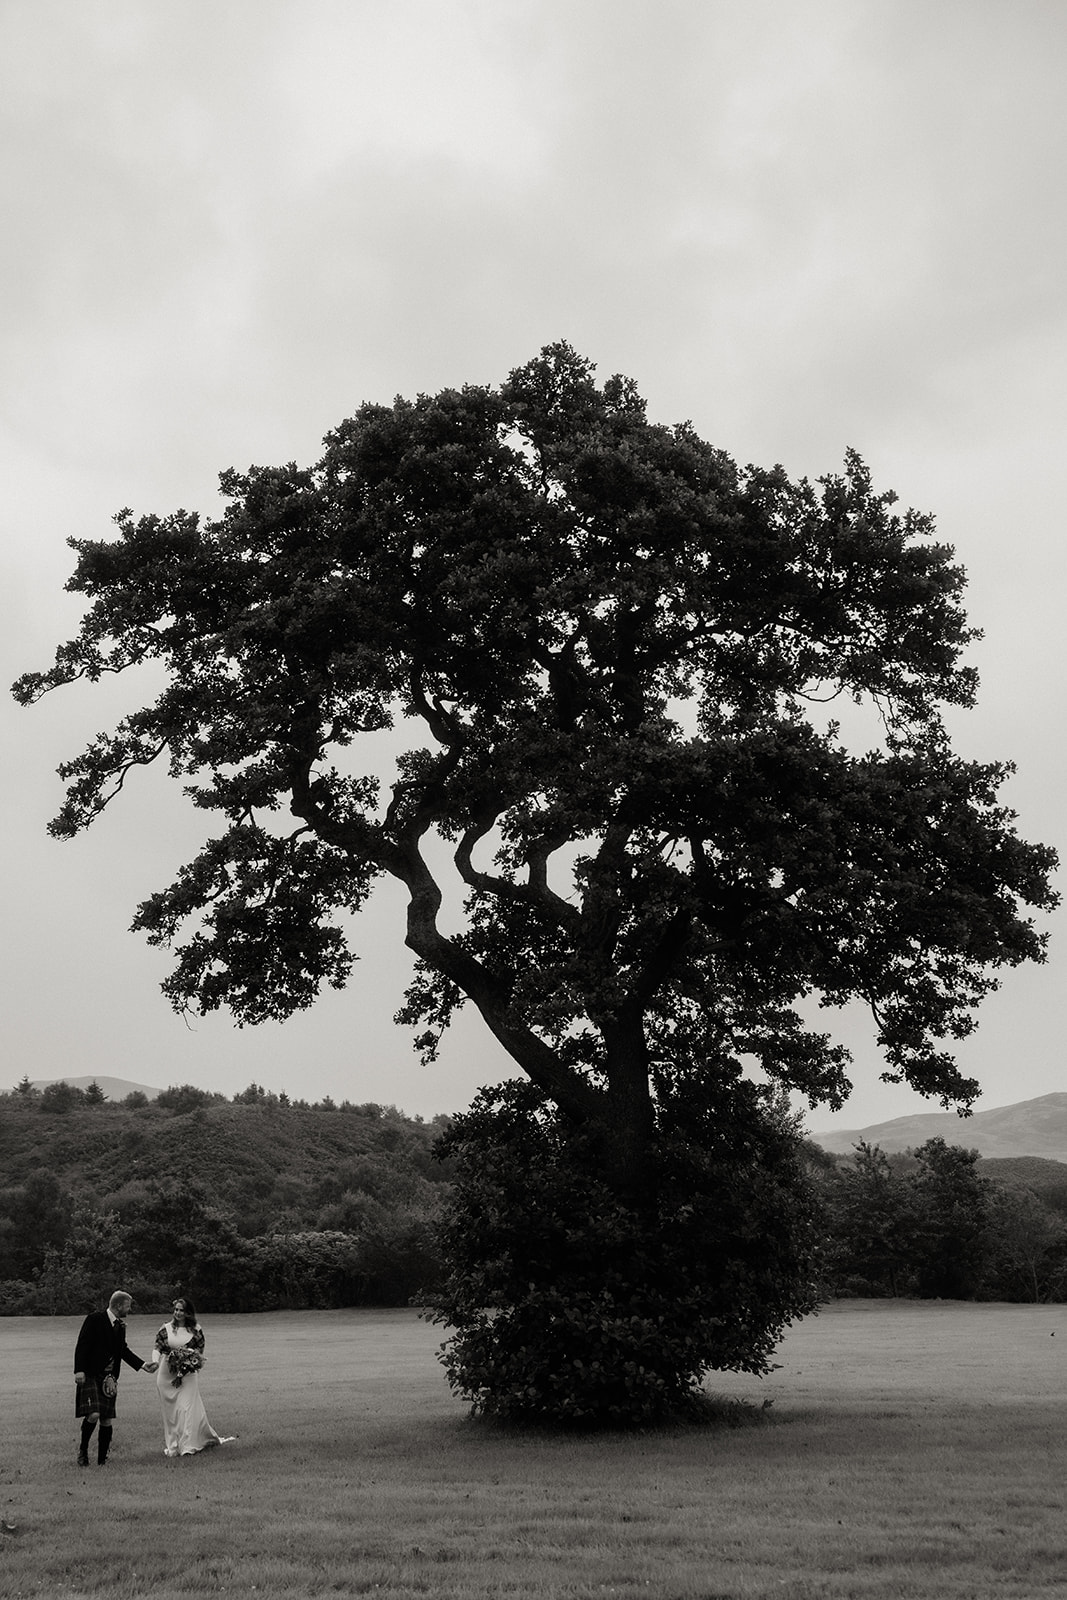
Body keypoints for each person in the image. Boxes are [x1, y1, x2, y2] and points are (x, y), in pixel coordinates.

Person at [74, 1289, 158, 1466]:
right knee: (94, 1413)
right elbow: (82, 1344)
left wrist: (143, 1365)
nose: (130, 1310)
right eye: (128, 1306)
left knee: (106, 1417)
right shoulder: (95, 1319)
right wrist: (79, 1370)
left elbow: (123, 1350)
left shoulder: (120, 1326)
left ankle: (102, 1459)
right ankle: (83, 1451)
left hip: (109, 1377)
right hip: (91, 1373)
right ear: (119, 1305)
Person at [152, 1296, 232, 1457]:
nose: (178, 1313)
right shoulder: (165, 1329)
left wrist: (188, 1360)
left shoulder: (196, 1330)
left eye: (181, 1310)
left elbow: (199, 1353)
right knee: (172, 1414)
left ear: (188, 1312)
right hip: (166, 1376)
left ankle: (188, 1446)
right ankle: (174, 1445)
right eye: (176, 1310)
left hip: (188, 1375)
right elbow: (158, 1348)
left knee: (186, 1408)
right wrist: (154, 1362)